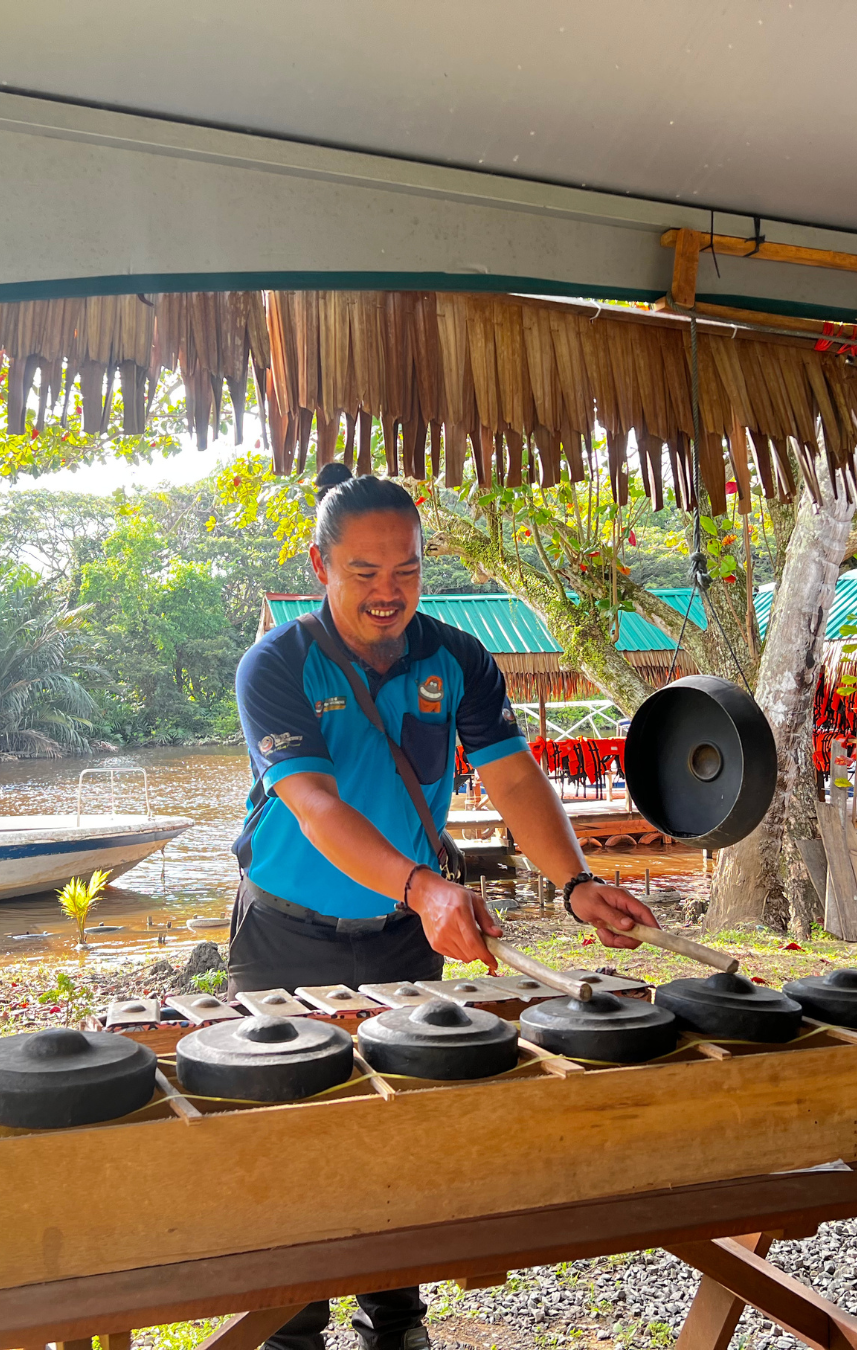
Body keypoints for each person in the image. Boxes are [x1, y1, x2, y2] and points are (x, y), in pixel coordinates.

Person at [231, 462, 659, 1350]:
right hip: (284, 934)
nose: (388, 592)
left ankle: (395, 1322)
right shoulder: (278, 664)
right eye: (364, 571)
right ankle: (291, 1329)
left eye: (408, 570)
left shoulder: (457, 658)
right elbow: (315, 806)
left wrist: (576, 884)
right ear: (320, 565)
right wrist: (426, 886)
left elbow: (514, 778)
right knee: (288, 1133)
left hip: (399, 939)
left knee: (402, 1125)